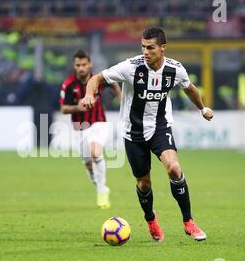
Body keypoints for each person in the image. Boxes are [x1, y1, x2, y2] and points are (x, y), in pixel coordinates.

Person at [81, 27, 214, 242]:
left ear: (162, 48)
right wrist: (89, 94)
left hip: (160, 127)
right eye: (143, 47)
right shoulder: (130, 67)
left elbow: (189, 88)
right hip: (133, 132)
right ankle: (151, 219)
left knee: (174, 168)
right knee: (144, 183)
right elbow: (96, 79)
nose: (145, 51)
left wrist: (202, 108)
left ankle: (188, 222)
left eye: (150, 47)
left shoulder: (175, 69)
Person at [59, 50, 122, 209]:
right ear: (74, 66)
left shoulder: (98, 79)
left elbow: (114, 83)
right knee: (88, 164)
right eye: (78, 65)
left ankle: (102, 190)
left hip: (99, 123)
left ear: (90, 64)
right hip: (79, 128)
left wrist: (122, 100)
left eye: (84, 64)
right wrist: (78, 107)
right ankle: (99, 185)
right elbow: (64, 109)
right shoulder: (68, 85)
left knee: (95, 152)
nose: (81, 68)